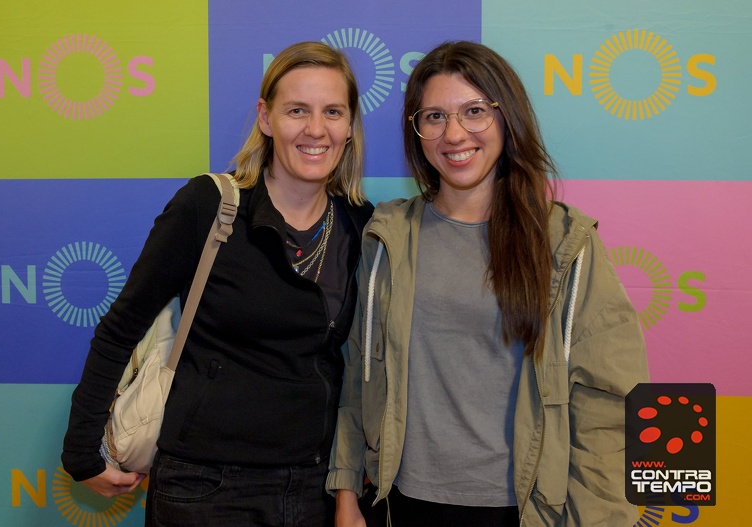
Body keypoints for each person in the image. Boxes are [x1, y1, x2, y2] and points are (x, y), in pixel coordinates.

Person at [327, 40, 649, 526]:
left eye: (474, 111)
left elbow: (609, 404)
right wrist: (347, 493)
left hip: (525, 510)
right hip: (404, 502)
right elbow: (359, 378)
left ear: (507, 118)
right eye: (433, 117)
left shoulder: (566, 243)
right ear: (415, 131)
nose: (453, 134)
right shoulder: (387, 237)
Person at [62, 41, 374, 527]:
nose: (316, 129)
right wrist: (82, 450)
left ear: (350, 125)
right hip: (204, 490)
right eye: (297, 110)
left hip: (317, 489)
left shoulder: (361, 226)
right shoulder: (210, 205)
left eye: (333, 111)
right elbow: (121, 328)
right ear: (266, 118)